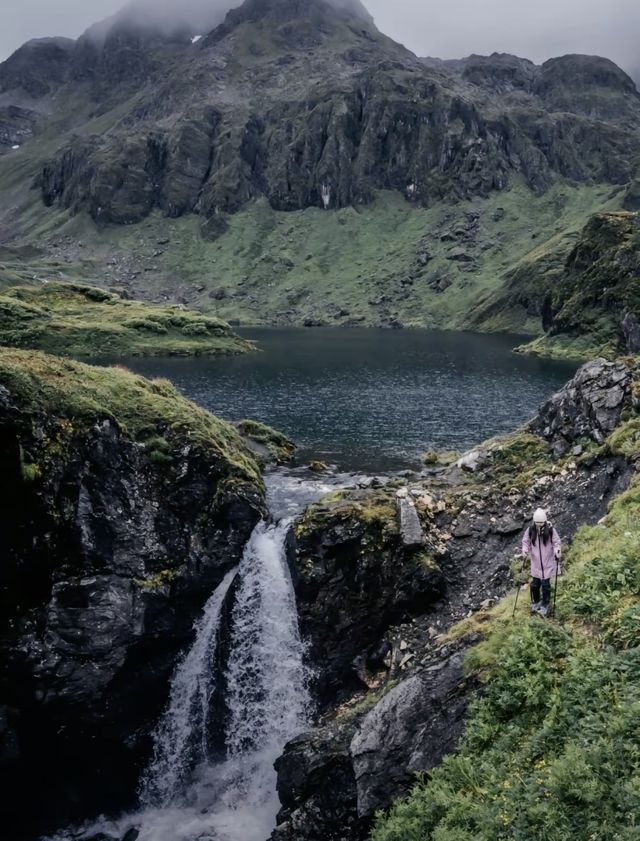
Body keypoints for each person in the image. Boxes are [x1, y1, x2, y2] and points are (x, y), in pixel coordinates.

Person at [521, 508, 562, 617]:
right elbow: (526, 542)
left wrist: (557, 551)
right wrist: (525, 550)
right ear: (534, 522)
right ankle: (536, 602)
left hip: (548, 562)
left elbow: (556, 542)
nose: (539, 525)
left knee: (545, 585)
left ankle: (545, 604)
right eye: (537, 523)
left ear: (544, 521)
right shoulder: (530, 530)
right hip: (536, 563)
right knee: (534, 585)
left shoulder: (551, 530)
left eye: (541, 523)